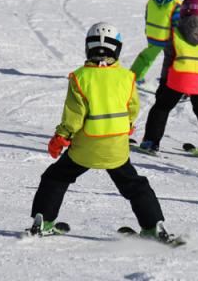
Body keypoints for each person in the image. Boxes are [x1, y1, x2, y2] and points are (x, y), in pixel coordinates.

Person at [28, 22, 174, 241]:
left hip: (85, 148)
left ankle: (44, 220)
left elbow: (74, 116)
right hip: (116, 148)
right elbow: (132, 108)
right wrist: (126, 126)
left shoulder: (80, 77)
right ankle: (154, 226)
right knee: (135, 185)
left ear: (88, 48)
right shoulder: (127, 77)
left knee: (55, 178)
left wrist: (61, 137)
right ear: (117, 49)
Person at [138, 0, 198, 162]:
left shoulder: (174, 33)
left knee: (162, 107)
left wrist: (163, 83)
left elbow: (169, 59)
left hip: (177, 78)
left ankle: (151, 142)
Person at [129, 0, 189, 87]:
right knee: (172, 59)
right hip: (167, 38)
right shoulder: (176, 4)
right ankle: (169, 80)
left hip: (152, 34)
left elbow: (147, 13)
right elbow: (176, 23)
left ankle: (134, 76)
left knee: (147, 57)